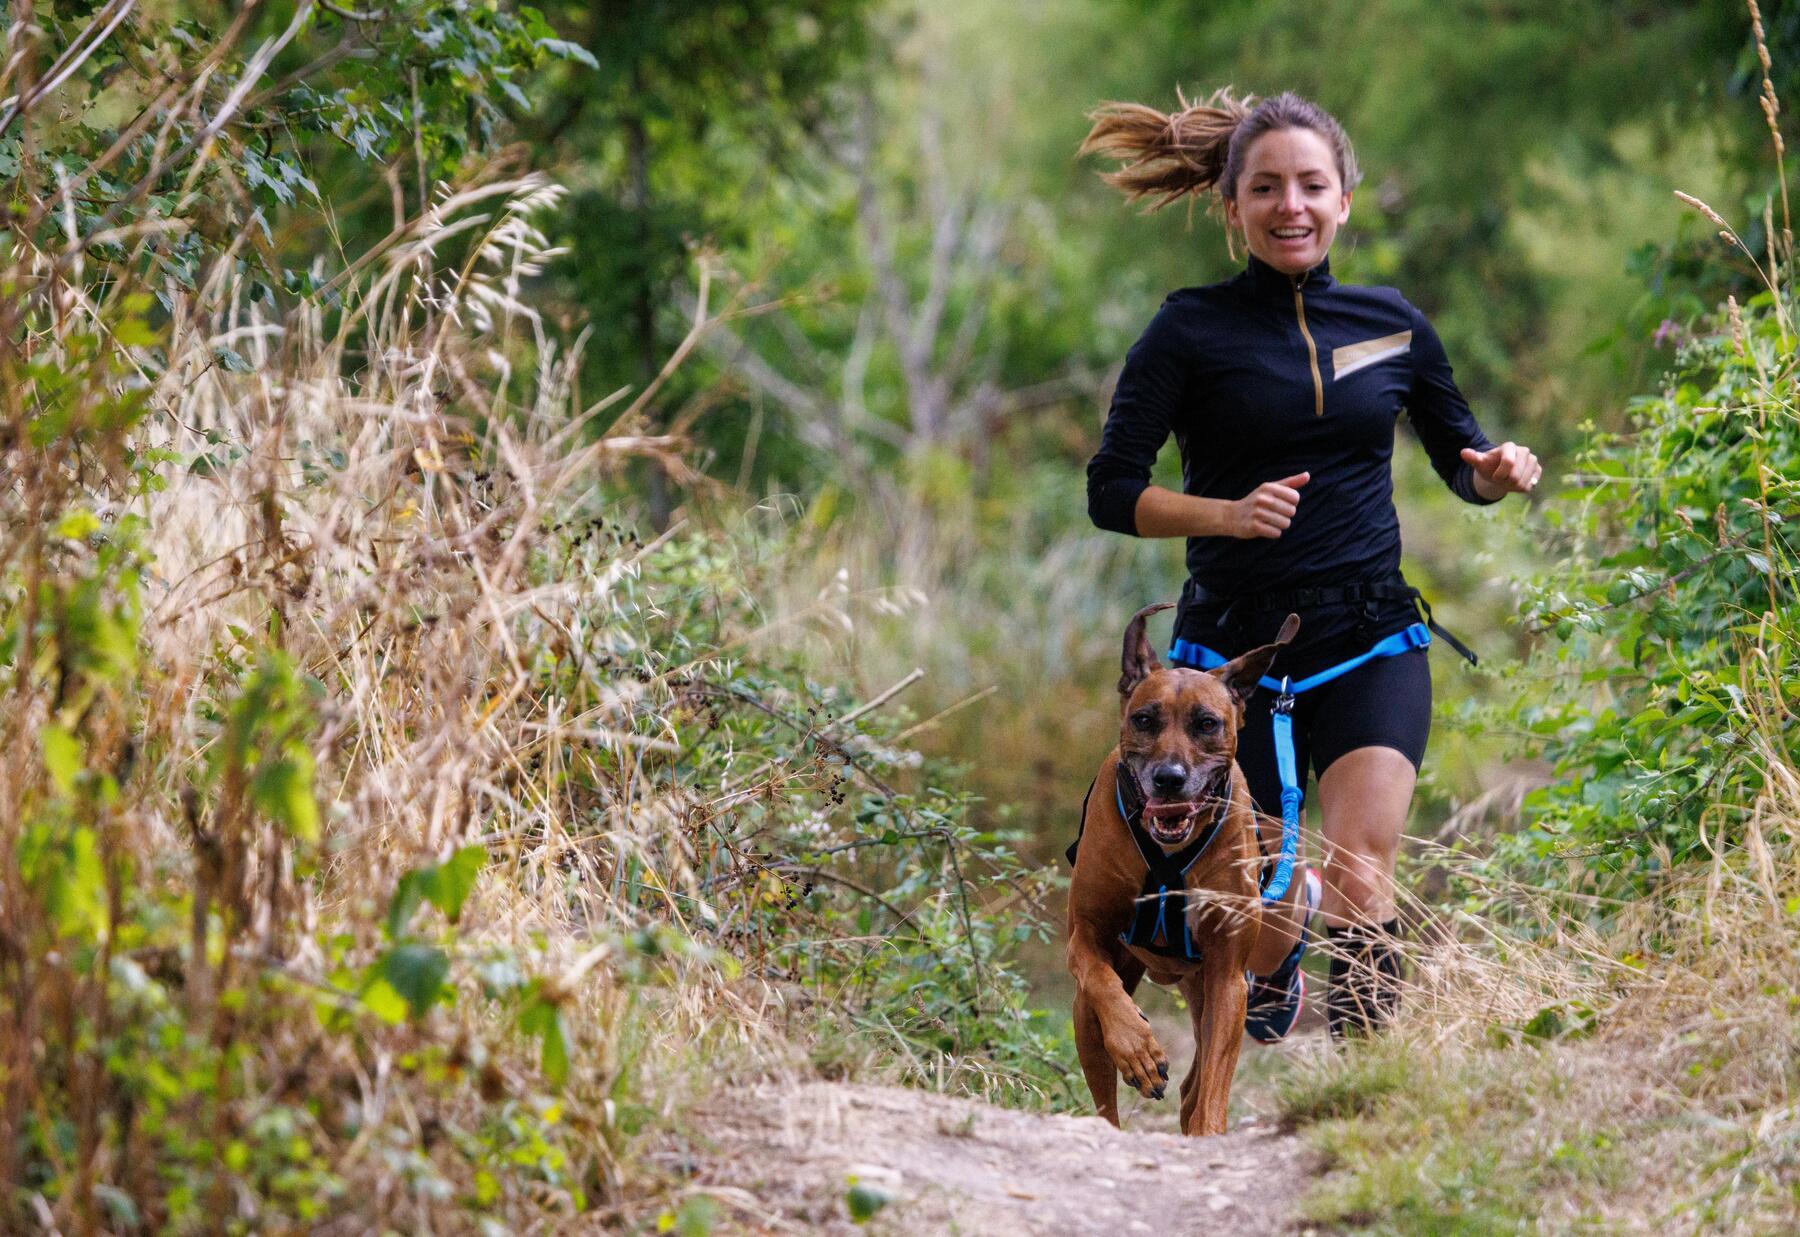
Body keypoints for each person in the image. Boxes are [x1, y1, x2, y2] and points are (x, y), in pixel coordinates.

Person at [1079, 89, 1540, 1040]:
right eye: (1268, 188)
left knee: (1365, 864)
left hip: (1370, 634)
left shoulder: (1393, 322)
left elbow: (1463, 459)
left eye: (1311, 186)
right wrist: (1227, 513)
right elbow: (1111, 489)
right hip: (1231, 661)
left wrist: (1494, 471)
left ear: (1344, 200)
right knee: (1264, 896)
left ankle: (1367, 1084)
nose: (1292, 206)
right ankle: (1274, 959)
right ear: (1232, 206)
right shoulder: (1189, 330)